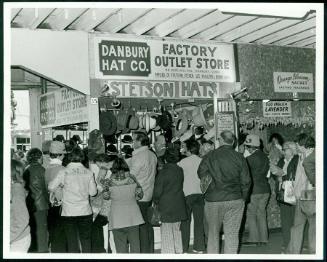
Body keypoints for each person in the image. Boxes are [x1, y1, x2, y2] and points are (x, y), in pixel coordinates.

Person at [197, 130, 251, 254]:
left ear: (220, 140)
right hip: (235, 199)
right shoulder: (240, 157)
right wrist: (244, 198)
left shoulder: (210, 156)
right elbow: (246, 181)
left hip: (214, 200)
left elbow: (200, 173)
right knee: (232, 235)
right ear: (233, 142)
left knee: (213, 234)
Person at [48, 147, 97, 253]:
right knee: (86, 240)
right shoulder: (89, 172)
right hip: (85, 211)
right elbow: (93, 193)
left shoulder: (63, 172)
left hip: (68, 212)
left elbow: (51, 187)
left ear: (70, 157)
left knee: (72, 241)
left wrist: (61, 185)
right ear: (82, 158)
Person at [102, 157, 144, 253]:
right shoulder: (132, 179)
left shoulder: (109, 182)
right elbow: (140, 195)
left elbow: (106, 197)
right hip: (133, 216)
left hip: (117, 217)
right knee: (135, 246)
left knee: (120, 248)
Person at [153, 143, 187, 253]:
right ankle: (179, 252)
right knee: (176, 231)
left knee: (167, 232)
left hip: (166, 206)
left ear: (166, 159)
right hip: (179, 204)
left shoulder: (163, 172)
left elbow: (157, 192)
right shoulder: (179, 170)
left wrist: (155, 201)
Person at [286, 134, 315, 254]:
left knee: (314, 226)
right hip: (300, 195)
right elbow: (299, 176)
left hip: (312, 196)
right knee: (297, 226)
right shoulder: (300, 156)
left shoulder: (315, 157)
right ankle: (293, 252)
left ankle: (315, 252)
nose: (296, 147)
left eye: (297, 144)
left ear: (303, 144)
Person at [129, 131, 157, 253]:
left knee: (140, 226)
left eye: (134, 140)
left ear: (140, 141)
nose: (133, 143)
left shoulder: (139, 157)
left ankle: (144, 252)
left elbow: (131, 176)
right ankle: (149, 250)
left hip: (138, 195)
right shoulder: (152, 155)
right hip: (149, 193)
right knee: (147, 224)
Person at [269, 141, 299, 252]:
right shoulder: (282, 160)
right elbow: (276, 173)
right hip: (282, 192)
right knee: (285, 219)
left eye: (285, 149)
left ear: (292, 149)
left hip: (293, 192)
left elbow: (296, 175)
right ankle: (287, 242)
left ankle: (296, 243)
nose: (283, 151)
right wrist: (275, 173)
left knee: (295, 219)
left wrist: (284, 175)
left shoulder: (297, 160)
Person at [242, 134, 270, 246]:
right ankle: (264, 239)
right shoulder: (265, 157)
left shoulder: (248, 159)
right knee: (262, 214)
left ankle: (253, 239)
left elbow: (244, 175)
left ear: (250, 147)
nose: (246, 149)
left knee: (252, 214)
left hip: (254, 190)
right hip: (265, 189)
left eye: (247, 146)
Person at [178, 140, 205, 253]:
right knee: (199, 221)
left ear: (188, 149)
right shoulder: (203, 161)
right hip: (200, 194)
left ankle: (183, 247)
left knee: (185, 222)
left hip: (186, 194)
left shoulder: (182, 162)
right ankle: (199, 247)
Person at [90, 153, 118, 253]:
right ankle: (113, 251)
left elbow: (99, 188)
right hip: (112, 204)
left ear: (103, 163)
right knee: (110, 230)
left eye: (98, 165)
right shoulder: (114, 171)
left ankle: (104, 249)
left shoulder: (104, 170)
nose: (98, 167)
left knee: (102, 228)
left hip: (103, 205)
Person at [23, 148, 49, 253]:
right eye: (41, 156)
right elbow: (45, 188)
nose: (42, 158)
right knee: (42, 230)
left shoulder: (26, 169)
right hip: (41, 204)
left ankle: (34, 250)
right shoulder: (42, 170)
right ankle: (42, 251)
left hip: (30, 204)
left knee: (33, 229)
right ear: (38, 157)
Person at [44, 141, 67, 253]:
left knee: (53, 233)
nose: (64, 156)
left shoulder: (46, 168)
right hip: (60, 206)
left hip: (49, 206)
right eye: (63, 154)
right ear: (59, 155)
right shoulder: (62, 170)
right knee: (61, 237)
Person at [10, 159, 31, 252]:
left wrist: (8, 236)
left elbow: (22, 219)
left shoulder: (16, 189)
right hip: (17, 236)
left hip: (18, 239)